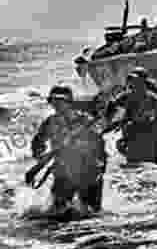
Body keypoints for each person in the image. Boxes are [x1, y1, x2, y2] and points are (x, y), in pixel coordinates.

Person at [30, 85, 107, 213]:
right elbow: (38, 143)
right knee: (57, 214)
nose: (56, 105)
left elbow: (99, 145)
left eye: (60, 101)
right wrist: (40, 158)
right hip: (63, 173)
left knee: (92, 214)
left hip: (88, 172)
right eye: (53, 101)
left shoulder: (85, 121)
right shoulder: (50, 122)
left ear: (69, 103)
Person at [105, 67, 157, 164]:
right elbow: (111, 109)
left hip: (148, 138)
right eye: (132, 81)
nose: (133, 83)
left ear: (144, 82)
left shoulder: (153, 99)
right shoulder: (125, 96)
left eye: (137, 81)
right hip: (132, 137)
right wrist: (110, 113)